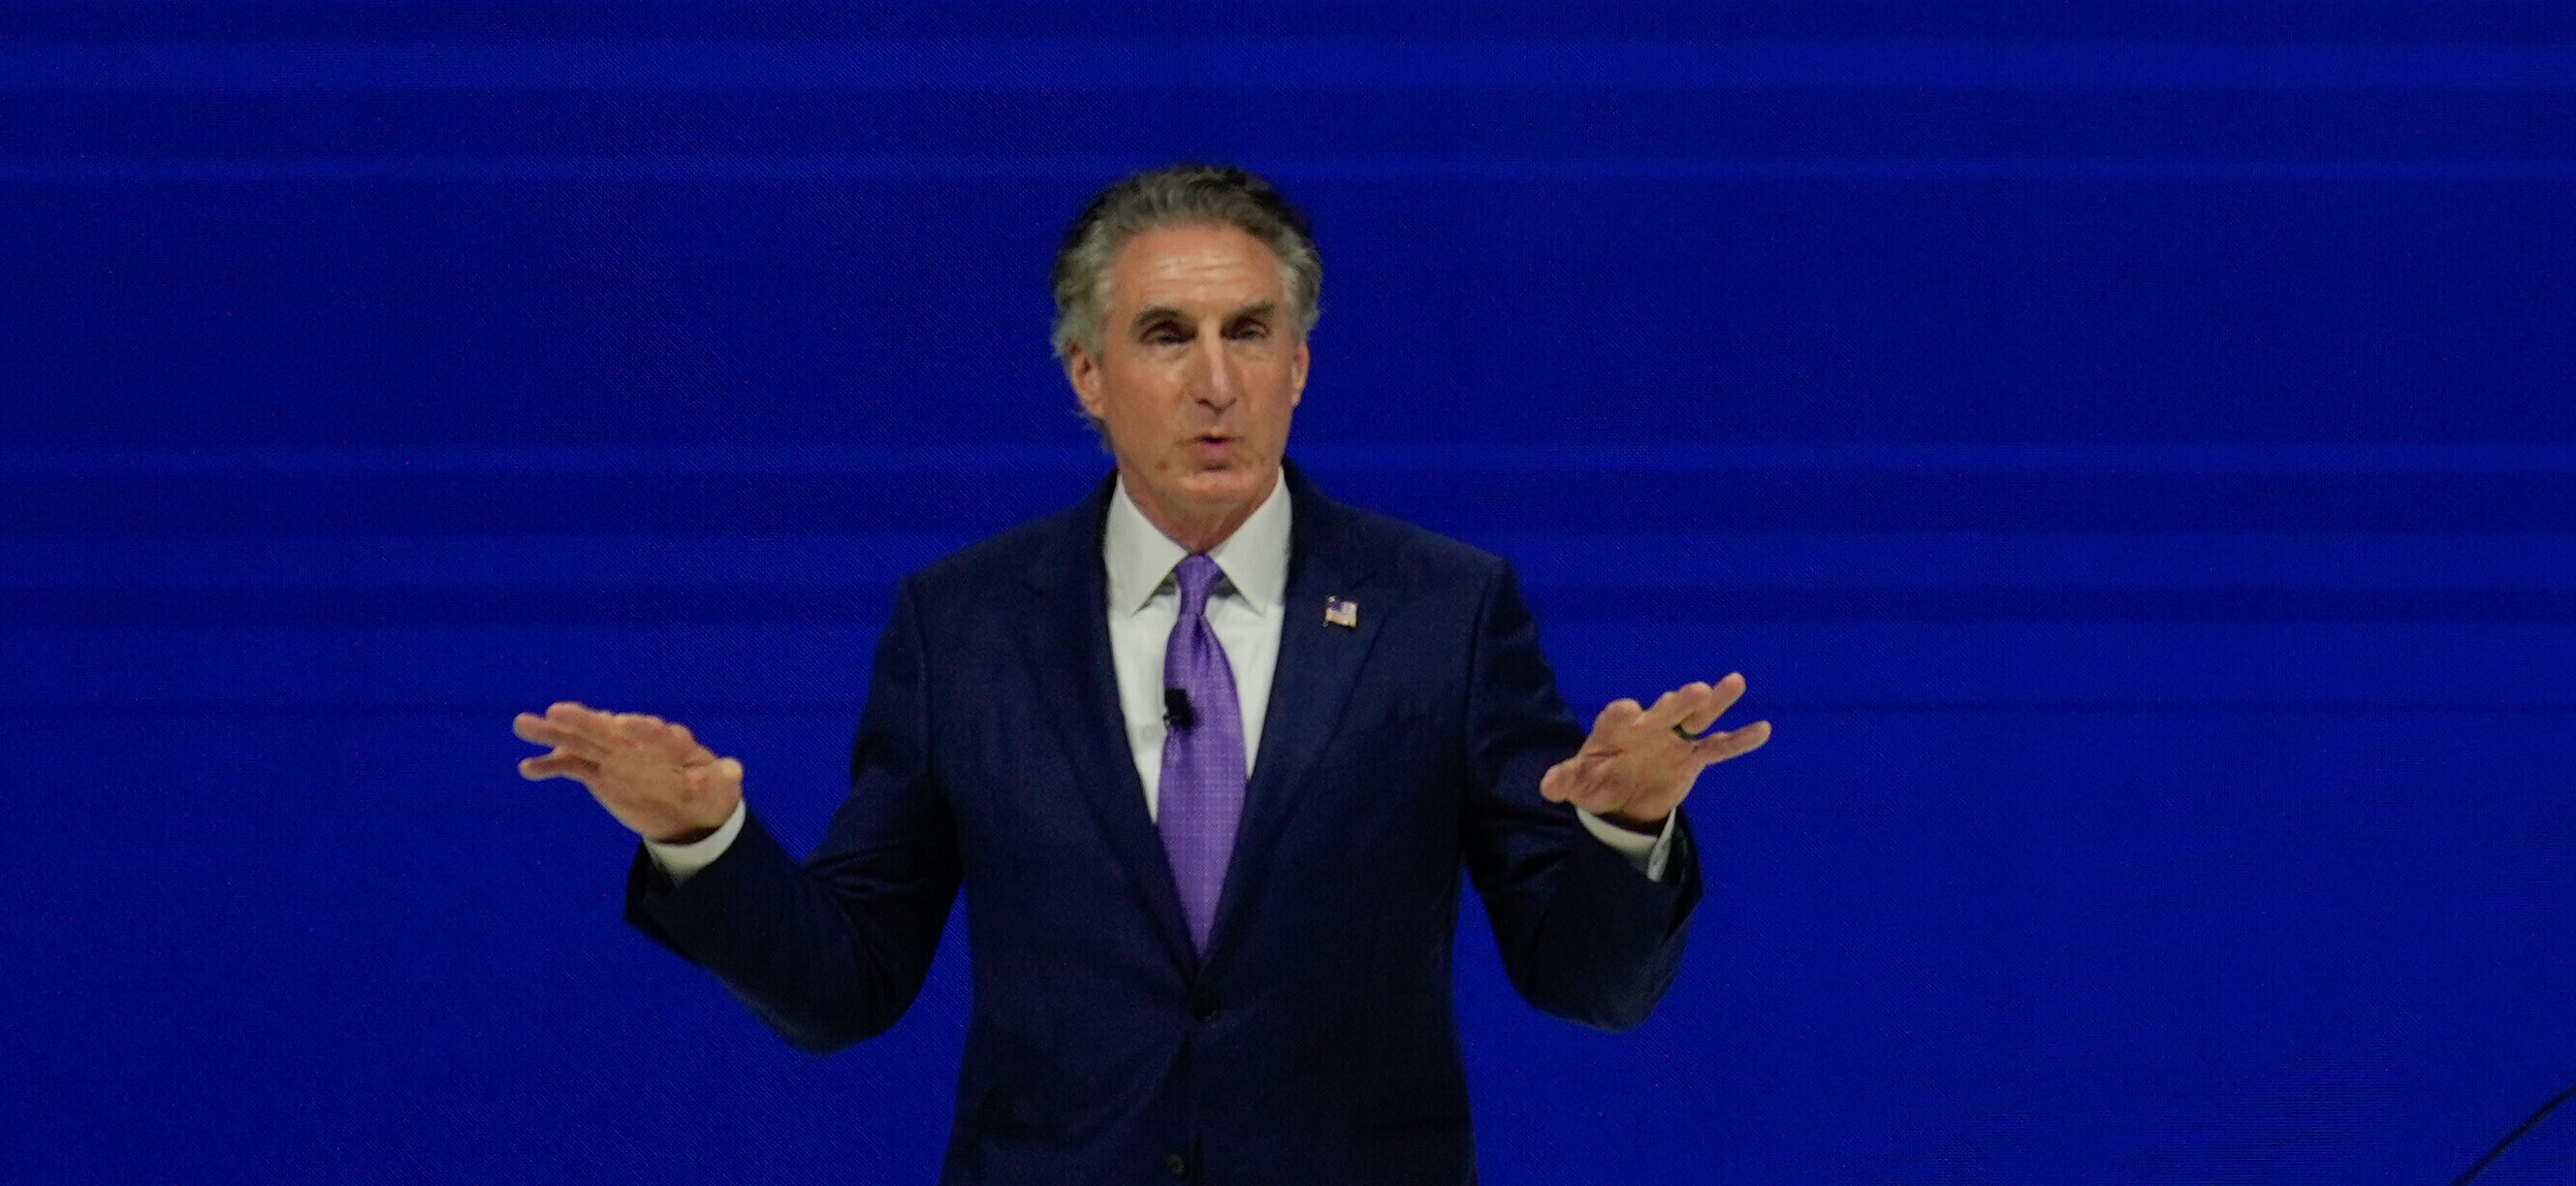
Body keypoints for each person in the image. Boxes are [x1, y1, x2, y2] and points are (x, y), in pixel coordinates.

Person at [519, 162, 1764, 1183]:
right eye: (1167, 334)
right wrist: (705, 839)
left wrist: (1627, 824)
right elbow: (845, 984)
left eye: (1250, 333)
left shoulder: (1444, 609)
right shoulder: (964, 626)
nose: (1214, 380)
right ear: (1088, 375)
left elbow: (1585, 984)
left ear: (1300, 367)